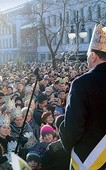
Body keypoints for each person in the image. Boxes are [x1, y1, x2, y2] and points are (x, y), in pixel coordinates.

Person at [59, 24, 106, 169]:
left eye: (87, 57)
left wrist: (61, 127)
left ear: (93, 56)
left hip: (90, 161)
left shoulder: (82, 83)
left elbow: (73, 130)